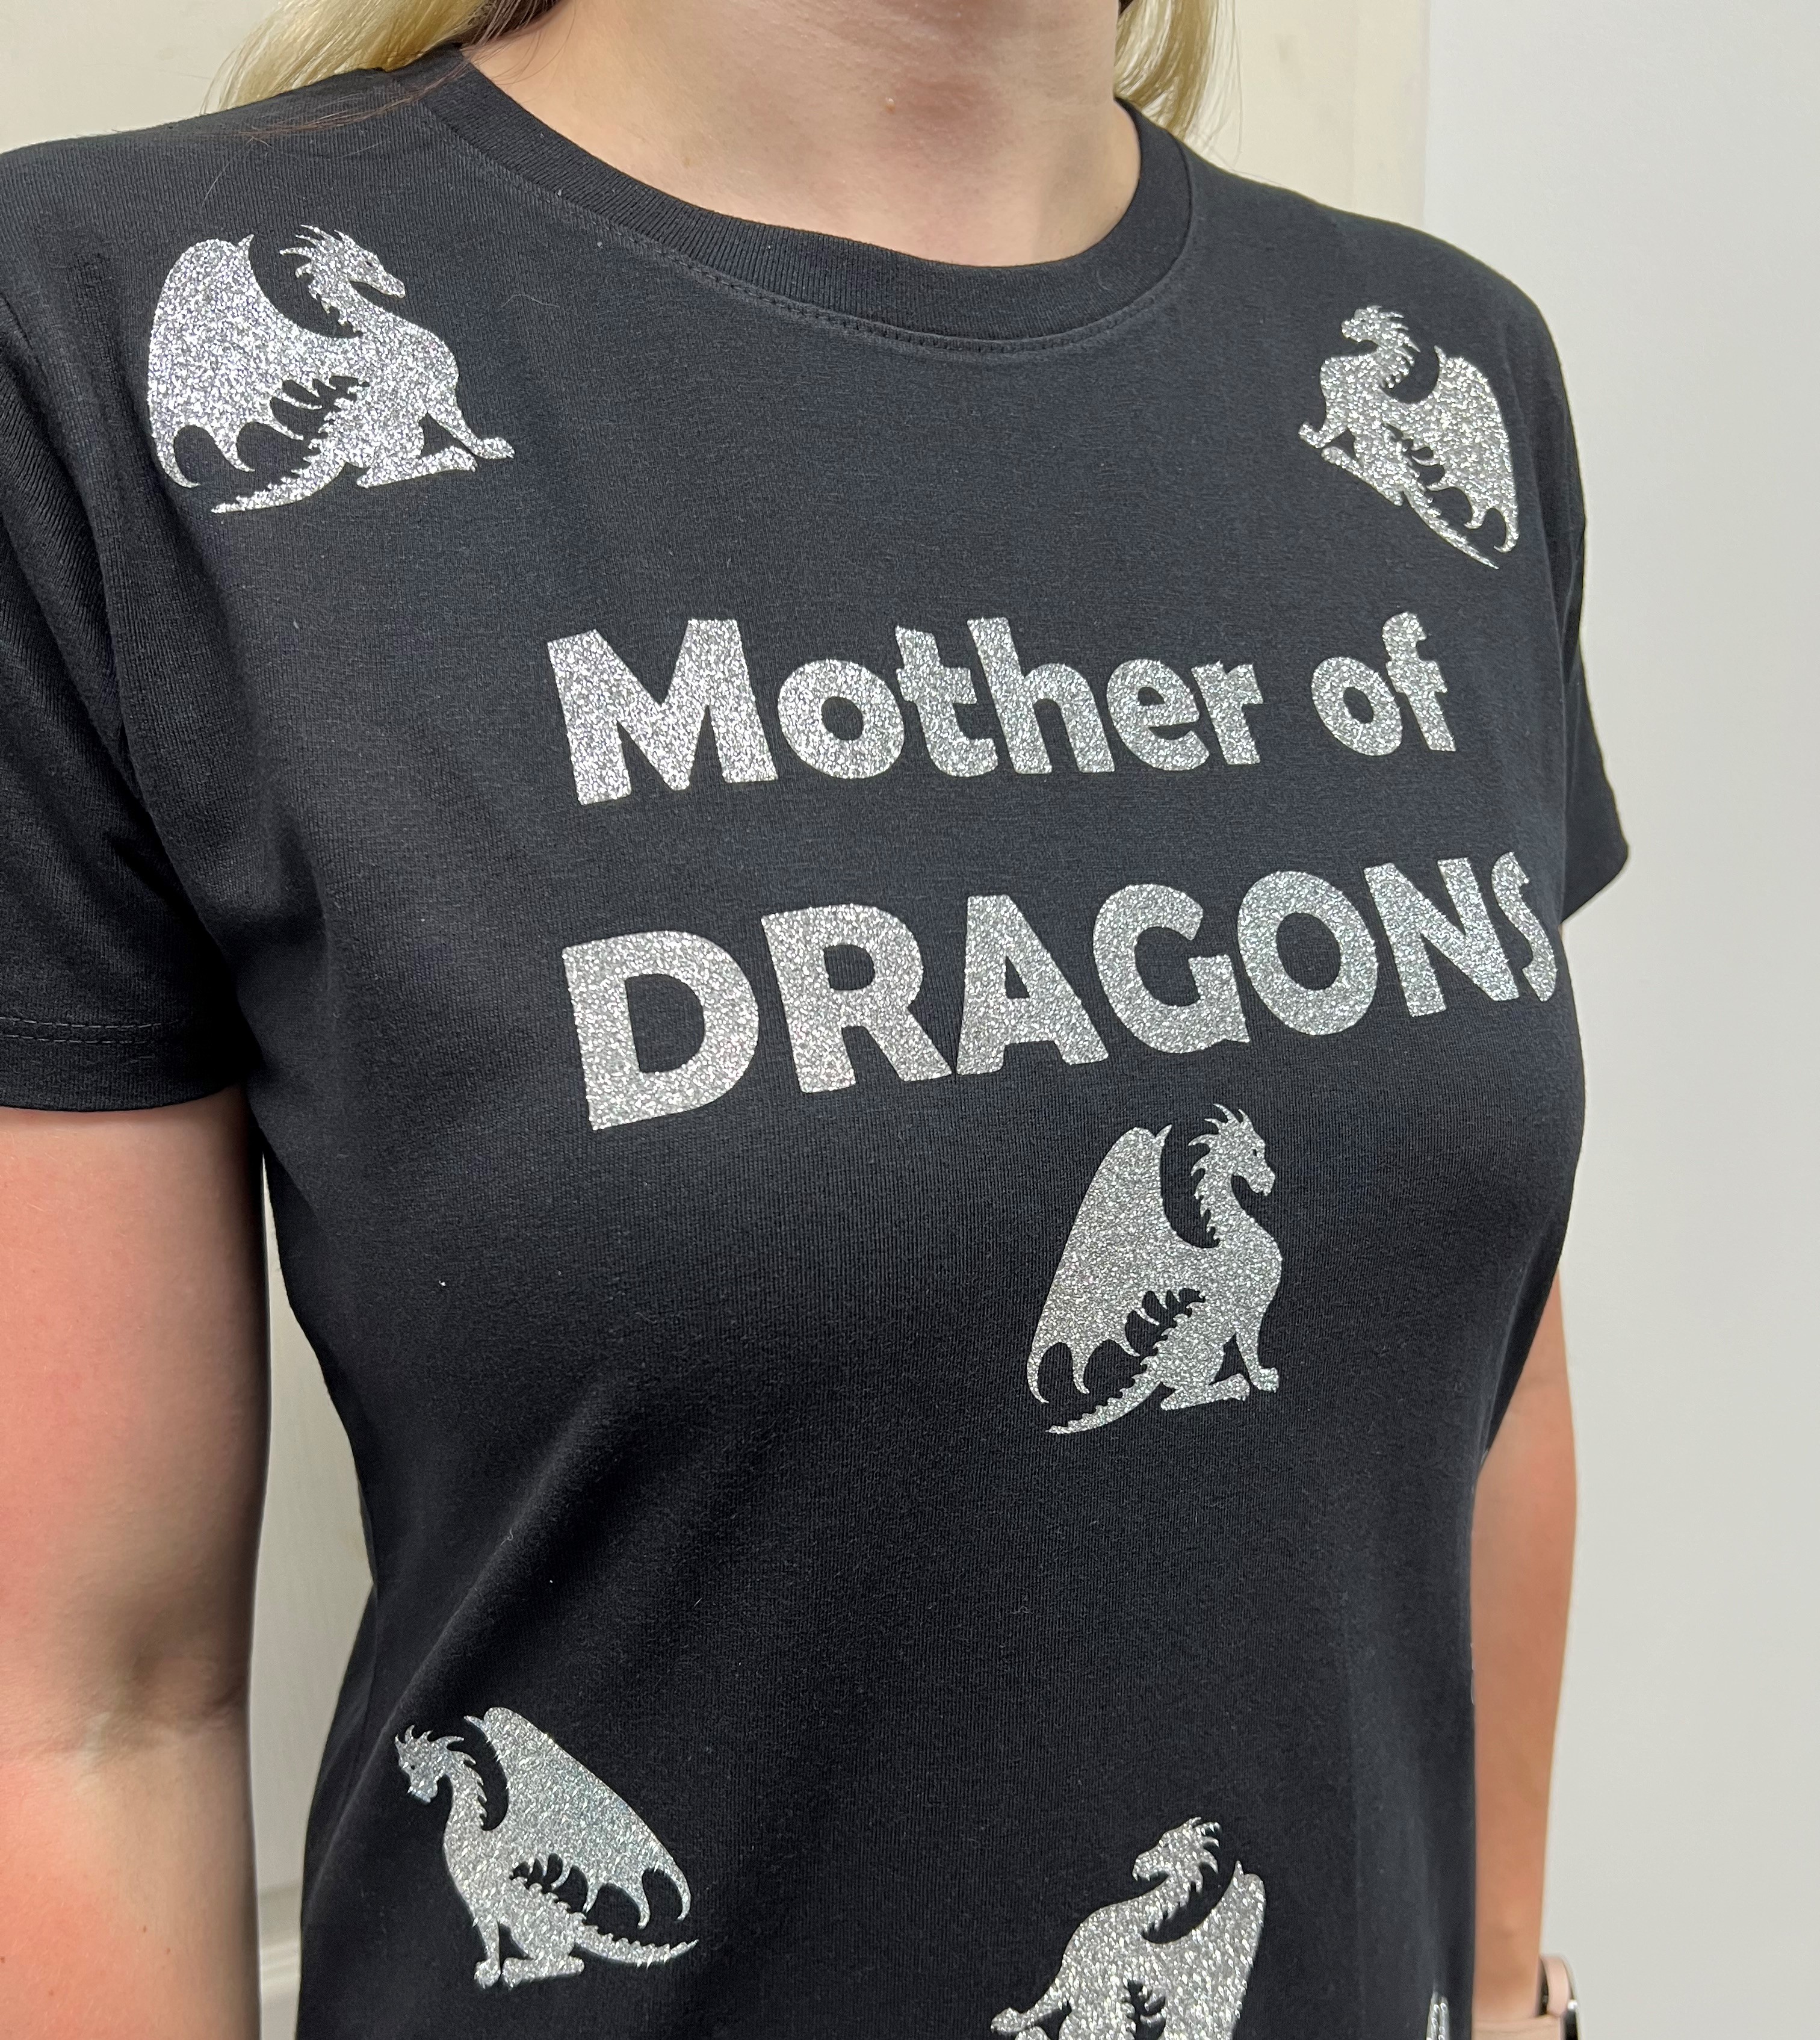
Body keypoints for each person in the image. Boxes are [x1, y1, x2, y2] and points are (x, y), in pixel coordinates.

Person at [0, 0, 1623, 2033]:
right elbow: (85, 1709)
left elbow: (1488, 1357)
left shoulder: (1445, 364)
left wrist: (1511, 1994)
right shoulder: (90, 334)